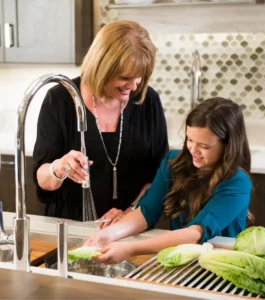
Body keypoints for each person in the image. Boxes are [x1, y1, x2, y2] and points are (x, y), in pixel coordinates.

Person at [85, 97, 252, 264]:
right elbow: (146, 212)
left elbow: (194, 234)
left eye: (204, 146)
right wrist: (108, 234)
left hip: (221, 265)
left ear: (228, 145)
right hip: (181, 260)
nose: (193, 150)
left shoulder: (237, 182)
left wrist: (130, 248)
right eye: (190, 140)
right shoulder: (174, 163)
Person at [33, 20, 169, 222]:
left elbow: (158, 177)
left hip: (129, 231)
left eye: (139, 78)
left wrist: (131, 212)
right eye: (125, 77)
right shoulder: (61, 98)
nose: (132, 87)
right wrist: (59, 168)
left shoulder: (147, 101)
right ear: (101, 67)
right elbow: (43, 180)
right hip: (69, 226)